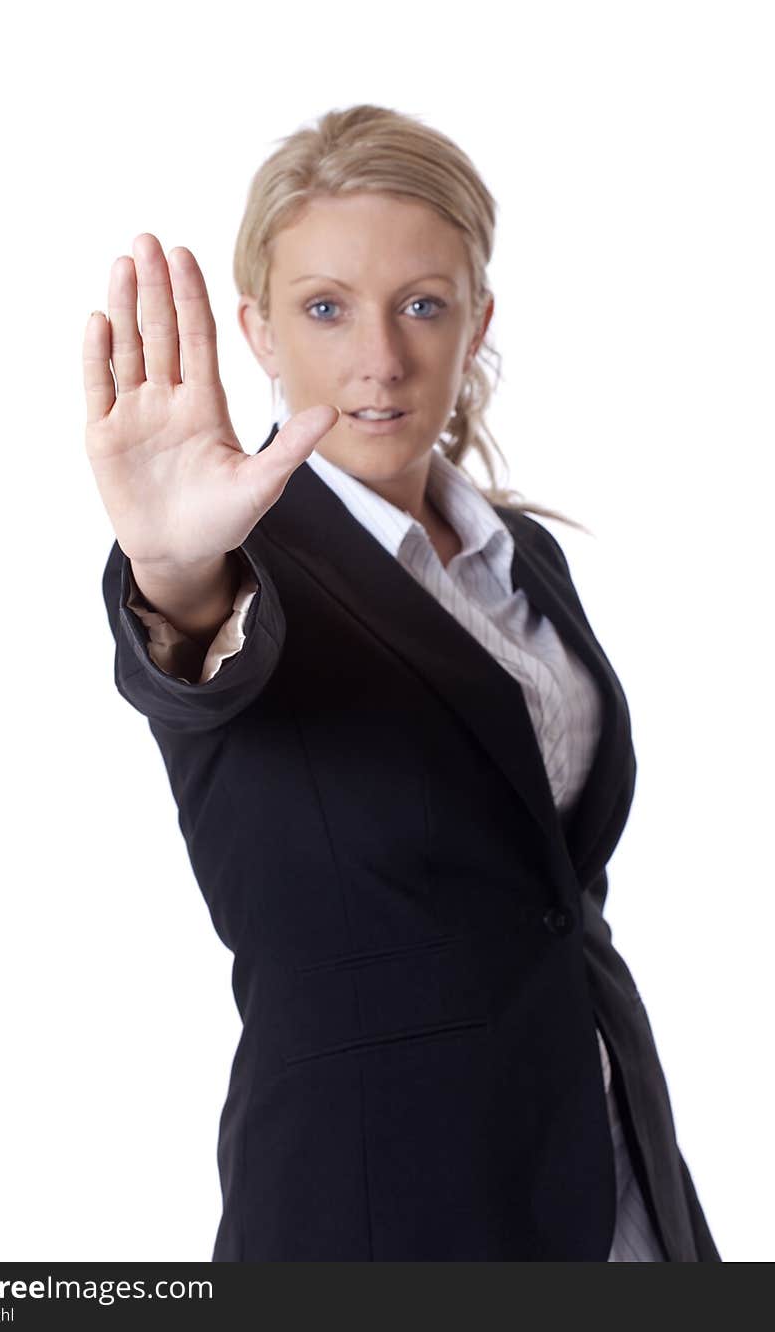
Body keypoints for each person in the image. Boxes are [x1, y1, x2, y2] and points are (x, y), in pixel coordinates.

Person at [83, 104, 721, 1261]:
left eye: (421, 304)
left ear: (479, 319)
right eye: (324, 308)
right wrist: (172, 562)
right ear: (259, 333)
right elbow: (191, 653)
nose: (379, 358)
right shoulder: (235, 567)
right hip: (385, 1210)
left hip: (610, 1161)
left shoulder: (520, 557)